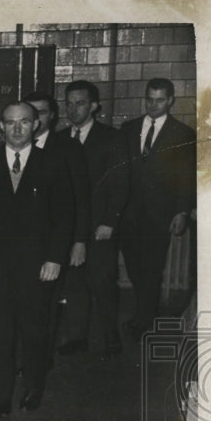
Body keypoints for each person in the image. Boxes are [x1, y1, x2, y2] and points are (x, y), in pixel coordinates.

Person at [0, 102, 74, 420]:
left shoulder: (53, 162)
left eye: (24, 122)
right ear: (1, 126)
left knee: (34, 331)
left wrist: (55, 258)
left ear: (36, 125)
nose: (17, 129)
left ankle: (33, 388)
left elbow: (64, 217)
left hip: (37, 266)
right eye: (11, 123)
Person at [118, 77, 196, 337]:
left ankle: (143, 318)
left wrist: (182, 211)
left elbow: (186, 177)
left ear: (171, 100)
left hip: (160, 214)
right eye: (149, 99)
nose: (153, 105)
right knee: (133, 266)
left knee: (151, 266)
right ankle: (147, 308)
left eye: (160, 100)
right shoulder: (128, 129)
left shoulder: (182, 133)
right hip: (128, 213)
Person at [59, 80, 130, 358]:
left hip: (100, 226)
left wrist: (109, 221)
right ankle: (77, 337)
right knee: (75, 283)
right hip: (71, 227)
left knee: (101, 280)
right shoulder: (60, 140)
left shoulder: (112, 138)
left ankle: (111, 336)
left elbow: (121, 183)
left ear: (94, 106)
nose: (73, 109)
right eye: (69, 103)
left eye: (80, 103)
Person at [24, 90, 93, 354]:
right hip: (25, 244)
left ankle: (40, 358)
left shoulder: (67, 147)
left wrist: (79, 241)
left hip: (55, 241)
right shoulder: (17, 145)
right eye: (29, 112)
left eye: (40, 112)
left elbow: (80, 198)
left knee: (48, 303)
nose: (34, 119)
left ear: (51, 116)